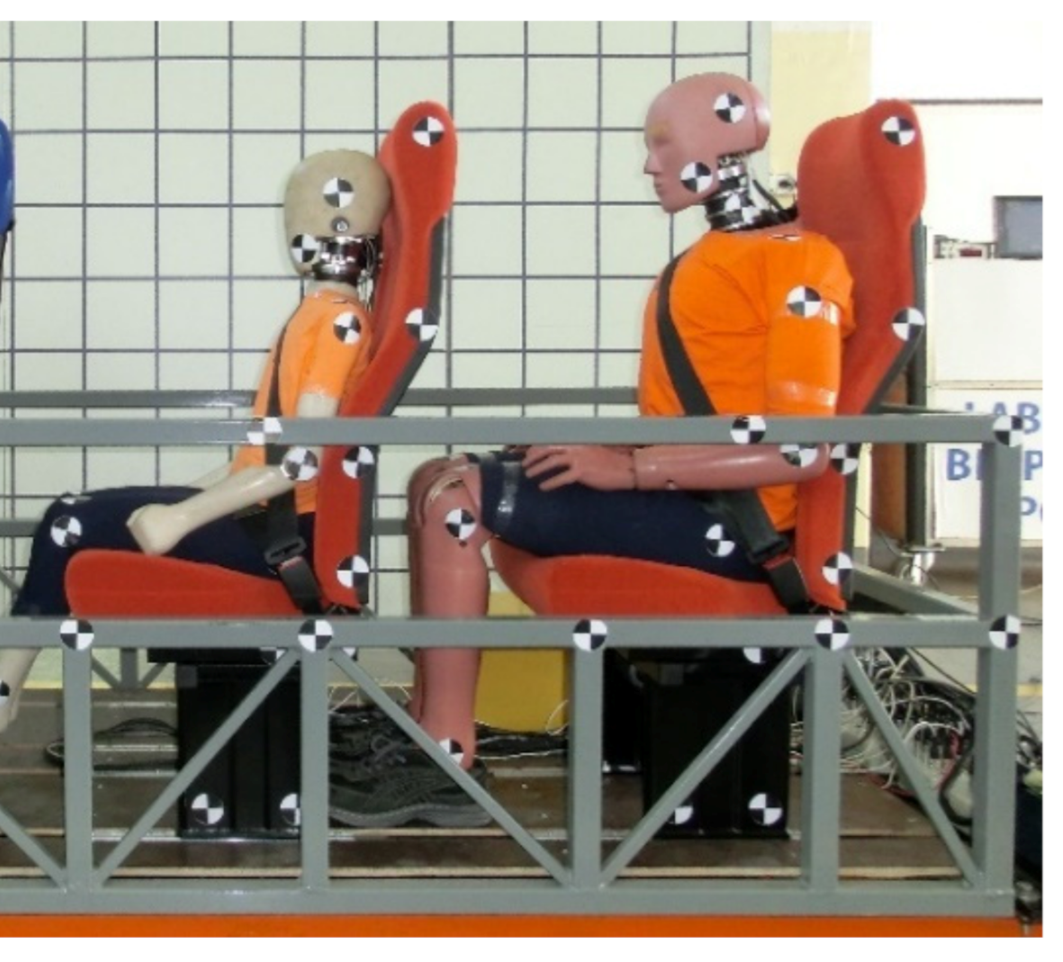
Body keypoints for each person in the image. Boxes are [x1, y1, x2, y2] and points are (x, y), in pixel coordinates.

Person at [328, 72, 854, 829]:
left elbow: (802, 450)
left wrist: (631, 467)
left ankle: (445, 758)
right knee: (436, 476)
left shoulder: (800, 263)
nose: (650, 164)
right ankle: (421, 727)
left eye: (663, 144)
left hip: (735, 528)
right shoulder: (716, 256)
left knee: (456, 500)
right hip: (685, 495)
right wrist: (601, 447)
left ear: (725, 139)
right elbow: (703, 416)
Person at [0, 149, 392, 734]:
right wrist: (185, 498)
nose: (290, 232)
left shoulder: (336, 323)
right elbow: (266, 456)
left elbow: (300, 463)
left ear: (337, 224)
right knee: (70, 514)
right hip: (267, 515)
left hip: (281, 534)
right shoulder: (326, 315)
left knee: (67, 522)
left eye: (296, 216)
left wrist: (182, 516)